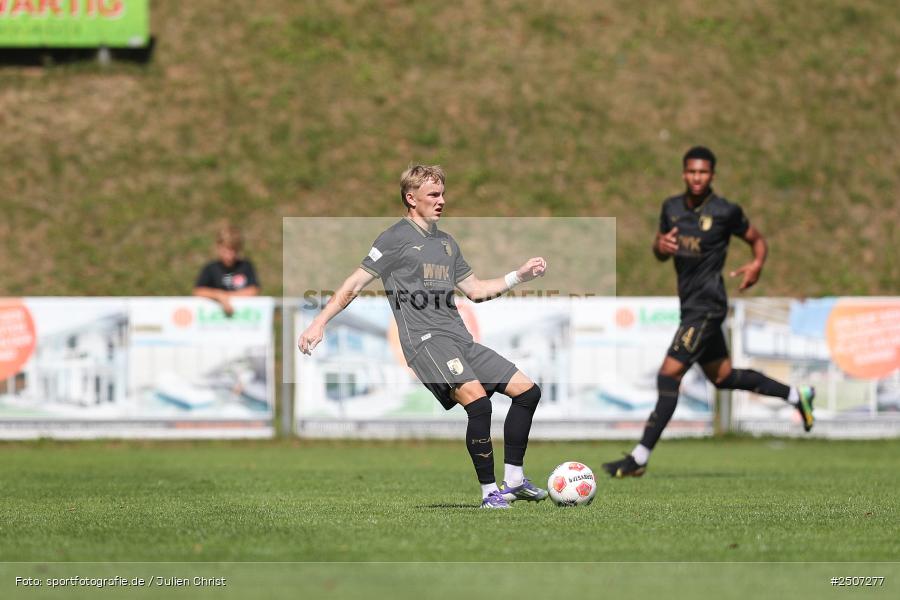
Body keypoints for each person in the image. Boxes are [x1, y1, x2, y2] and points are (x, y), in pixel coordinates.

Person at [298, 164, 549, 509]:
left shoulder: (447, 243)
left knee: (528, 392)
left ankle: (515, 480)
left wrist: (517, 276)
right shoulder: (394, 239)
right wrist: (320, 321)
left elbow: (475, 290)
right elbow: (355, 283)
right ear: (410, 198)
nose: (442, 200)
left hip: (460, 339)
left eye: (443, 193)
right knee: (479, 403)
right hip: (426, 342)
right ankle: (490, 493)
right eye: (434, 194)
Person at [602, 146, 815, 478]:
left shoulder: (725, 211)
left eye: (702, 172)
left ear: (712, 175)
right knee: (724, 377)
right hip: (690, 306)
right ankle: (796, 395)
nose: (696, 177)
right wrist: (659, 246)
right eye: (691, 171)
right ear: (684, 173)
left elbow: (757, 240)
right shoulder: (671, 208)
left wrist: (757, 264)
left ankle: (639, 458)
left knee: (668, 375)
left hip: (708, 306)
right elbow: (659, 250)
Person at [193, 224, 260, 316]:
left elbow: (253, 290)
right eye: (225, 251)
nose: (229, 256)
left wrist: (228, 297)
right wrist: (218, 295)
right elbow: (199, 291)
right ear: (218, 248)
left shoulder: (245, 266)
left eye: (233, 251)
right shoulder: (210, 268)